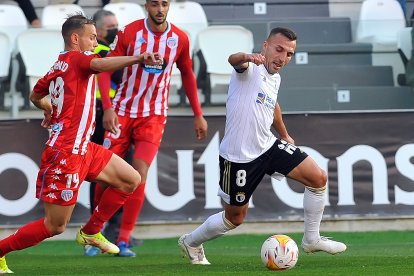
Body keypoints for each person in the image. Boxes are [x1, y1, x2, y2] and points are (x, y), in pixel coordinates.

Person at [0, 14, 163, 273]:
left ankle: (91, 231)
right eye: (92, 37)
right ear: (75, 39)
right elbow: (101, 64)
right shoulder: (79, 58)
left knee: (131, 179)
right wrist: (138, 58)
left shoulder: (59, 65)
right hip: (65, 152)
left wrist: (47, 109)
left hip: (83, 147)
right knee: (54, 226)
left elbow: (35, 94)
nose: (95, 42)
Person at [178, 27, 347, 265]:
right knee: (234, 218)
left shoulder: (275, 77)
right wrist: (247, 56)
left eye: (289, 54)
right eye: (279, 49)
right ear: (265, 46)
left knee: (318, 178)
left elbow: (272, 105)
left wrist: (285, 135)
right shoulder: (249, 68)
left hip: (267, 146)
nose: (283, 58)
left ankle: (311, 239)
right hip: (237, 158)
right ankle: (191, 241)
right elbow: (233, 60)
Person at [88, 0, 208, 258]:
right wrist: (107, 108)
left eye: (164, 4)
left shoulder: (180, 38)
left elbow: (187, 74)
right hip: (121, 111)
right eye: (155, 4)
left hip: (153, 116)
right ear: (146, 6)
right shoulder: (129, 33)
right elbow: (106, 70)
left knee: (139, 175)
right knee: (104, 174)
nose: (160, 9)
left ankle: (123, 240)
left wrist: (198, 114)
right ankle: (94, 233)